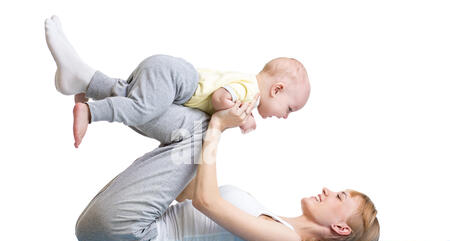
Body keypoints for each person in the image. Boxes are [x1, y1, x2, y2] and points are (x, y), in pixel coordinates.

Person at [75, 96, 380, 241]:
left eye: (339, 197)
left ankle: (102, 99)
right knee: (192, 126)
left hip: (129, 240)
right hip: (115, 231)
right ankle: (104, 95)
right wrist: (200, 133)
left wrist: (218, 127)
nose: (328, 190)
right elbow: (185, 192)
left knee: (199, 126)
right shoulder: (269, 215)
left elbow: (206, 202)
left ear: (341, 229)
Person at [44, 15, 311, 148]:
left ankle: (83, 81)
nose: (286, 117)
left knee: (130, 97)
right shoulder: (250, 91)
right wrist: (240, 115)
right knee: (142, 110)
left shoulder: (249, 88)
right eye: (290, 109)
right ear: (277, 90)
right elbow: (219, 97)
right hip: (175, 78)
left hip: (169, 77)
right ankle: (90, 111)